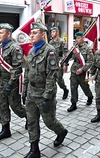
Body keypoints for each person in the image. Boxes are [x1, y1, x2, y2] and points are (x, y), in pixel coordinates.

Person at [23, 22, 68, 158]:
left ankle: (61, 131)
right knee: (31, 121)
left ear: (43, 35)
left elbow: (51, 75)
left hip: (44, 92)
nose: (31, 35)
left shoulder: (50, 51)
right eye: (31, 33)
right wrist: (24, 89)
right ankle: (34, 149)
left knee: (49, 121)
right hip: (31, 92)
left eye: (35, 32)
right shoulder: (31, 51)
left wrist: (47, 97)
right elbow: (27, 71)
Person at [0, 23, 28, 141]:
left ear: (8, 34)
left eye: (1, 33)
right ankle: (5, 129)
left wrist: (10, 84)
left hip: (11, 83)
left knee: (16, 107)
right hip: (0, 81)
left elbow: (17, 68)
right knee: (2, 106)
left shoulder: (15, 48)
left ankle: (28, 116)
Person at [63, 31, 94, 112]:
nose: (77, 40)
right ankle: (74, 104)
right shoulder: (74, 47)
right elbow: (68, 56)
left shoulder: (88, 48)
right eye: (76, 38)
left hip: (82, 72)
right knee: (73, 88)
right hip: (74, 70)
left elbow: (90, 62)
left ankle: (90, 96)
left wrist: (82, 69)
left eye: (79, 38)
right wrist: (65, 64)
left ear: (83, 38)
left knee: (85, 87)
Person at [49, 26, 69, 99]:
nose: (52, 33)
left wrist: (65, 64)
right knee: (51, 80)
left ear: (57, 32)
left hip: (59, 63)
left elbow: (66, 53)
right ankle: (52, 95)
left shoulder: (62, 42)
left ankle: (65, 89)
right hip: (52, 63)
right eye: (51, 32)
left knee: (59, 80)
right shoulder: (50, 42)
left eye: (53, 32)